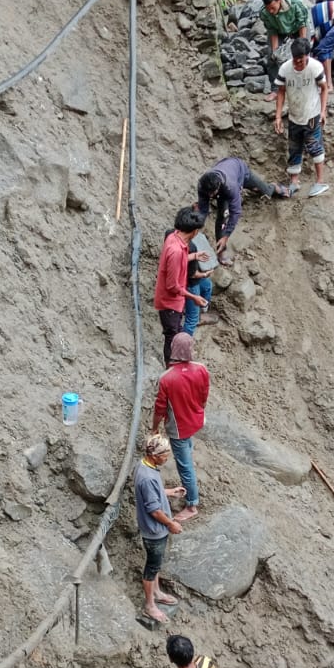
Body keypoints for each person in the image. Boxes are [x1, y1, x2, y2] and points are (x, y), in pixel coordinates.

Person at [152, 334, 210, 522]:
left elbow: (160, 407)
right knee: (187, 448)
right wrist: (198, 410)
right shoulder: (201, 369)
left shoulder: (167, 378)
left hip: (178, 427)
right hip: (196, 419)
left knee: (185, 467)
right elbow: (204, 395)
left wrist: (154, 428)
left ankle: (192, 504)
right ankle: (188, 451)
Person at [195, 158, 291, 264]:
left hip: (241, 170)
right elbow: (203, 209)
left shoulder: (230, 186)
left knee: (266, 191)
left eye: (212, 194)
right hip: (226, 168)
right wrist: (196, 226)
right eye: (208, 194)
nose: (210, 196)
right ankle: (221, 251)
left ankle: (274, 187)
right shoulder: (202, 185)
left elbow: (236, 212)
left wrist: (226, 235)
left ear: (218, 186)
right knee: (222, 216)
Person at [134, 433, 184, 623]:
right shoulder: (147, 477)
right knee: (152, 566)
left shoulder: (145, 466)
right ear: (155, 456)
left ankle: (156, 591)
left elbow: (152, 495)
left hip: (155, 529)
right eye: (165, 455)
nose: (167, 458)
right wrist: (171, 524)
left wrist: (169, 492)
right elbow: (154, 510)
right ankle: (150, 605)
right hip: (154, 531)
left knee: (156, 564)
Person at [274, 37, 329, 196]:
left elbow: (324, 88)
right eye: (296, 61)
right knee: (294, 147)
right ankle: (294, 181)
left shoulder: (315, 67)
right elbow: (281, 92)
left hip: (311, 114)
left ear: (308, 56)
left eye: (302, 61)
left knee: (314, 146)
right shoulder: (285, 69)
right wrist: (278, 116)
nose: (298, 64)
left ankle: (320, 181)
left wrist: (323, 111)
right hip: (294, 115)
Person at [153, 209, 203, 365]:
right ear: (194, 232)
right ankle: (171, 367)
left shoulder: (173, 238)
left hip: (171, 301)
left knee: (174, 331)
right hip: (170, 303)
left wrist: (194, 256)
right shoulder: (176, 251)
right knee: (171, 337)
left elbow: (177, 261)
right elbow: (173, 285)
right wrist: (193, 297)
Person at [259, 0, 312, 90]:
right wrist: (275, 51)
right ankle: (276, 89)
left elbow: (302, 24)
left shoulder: (295, 4)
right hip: (279, 29)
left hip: (298, 26)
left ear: (279, 0)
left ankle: (304, 84)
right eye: (268, 9)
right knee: (272, 57)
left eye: (273, 8)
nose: (271, 12)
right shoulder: (264, 13)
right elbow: (272, 30)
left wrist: (302, 46)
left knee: (302, 54)